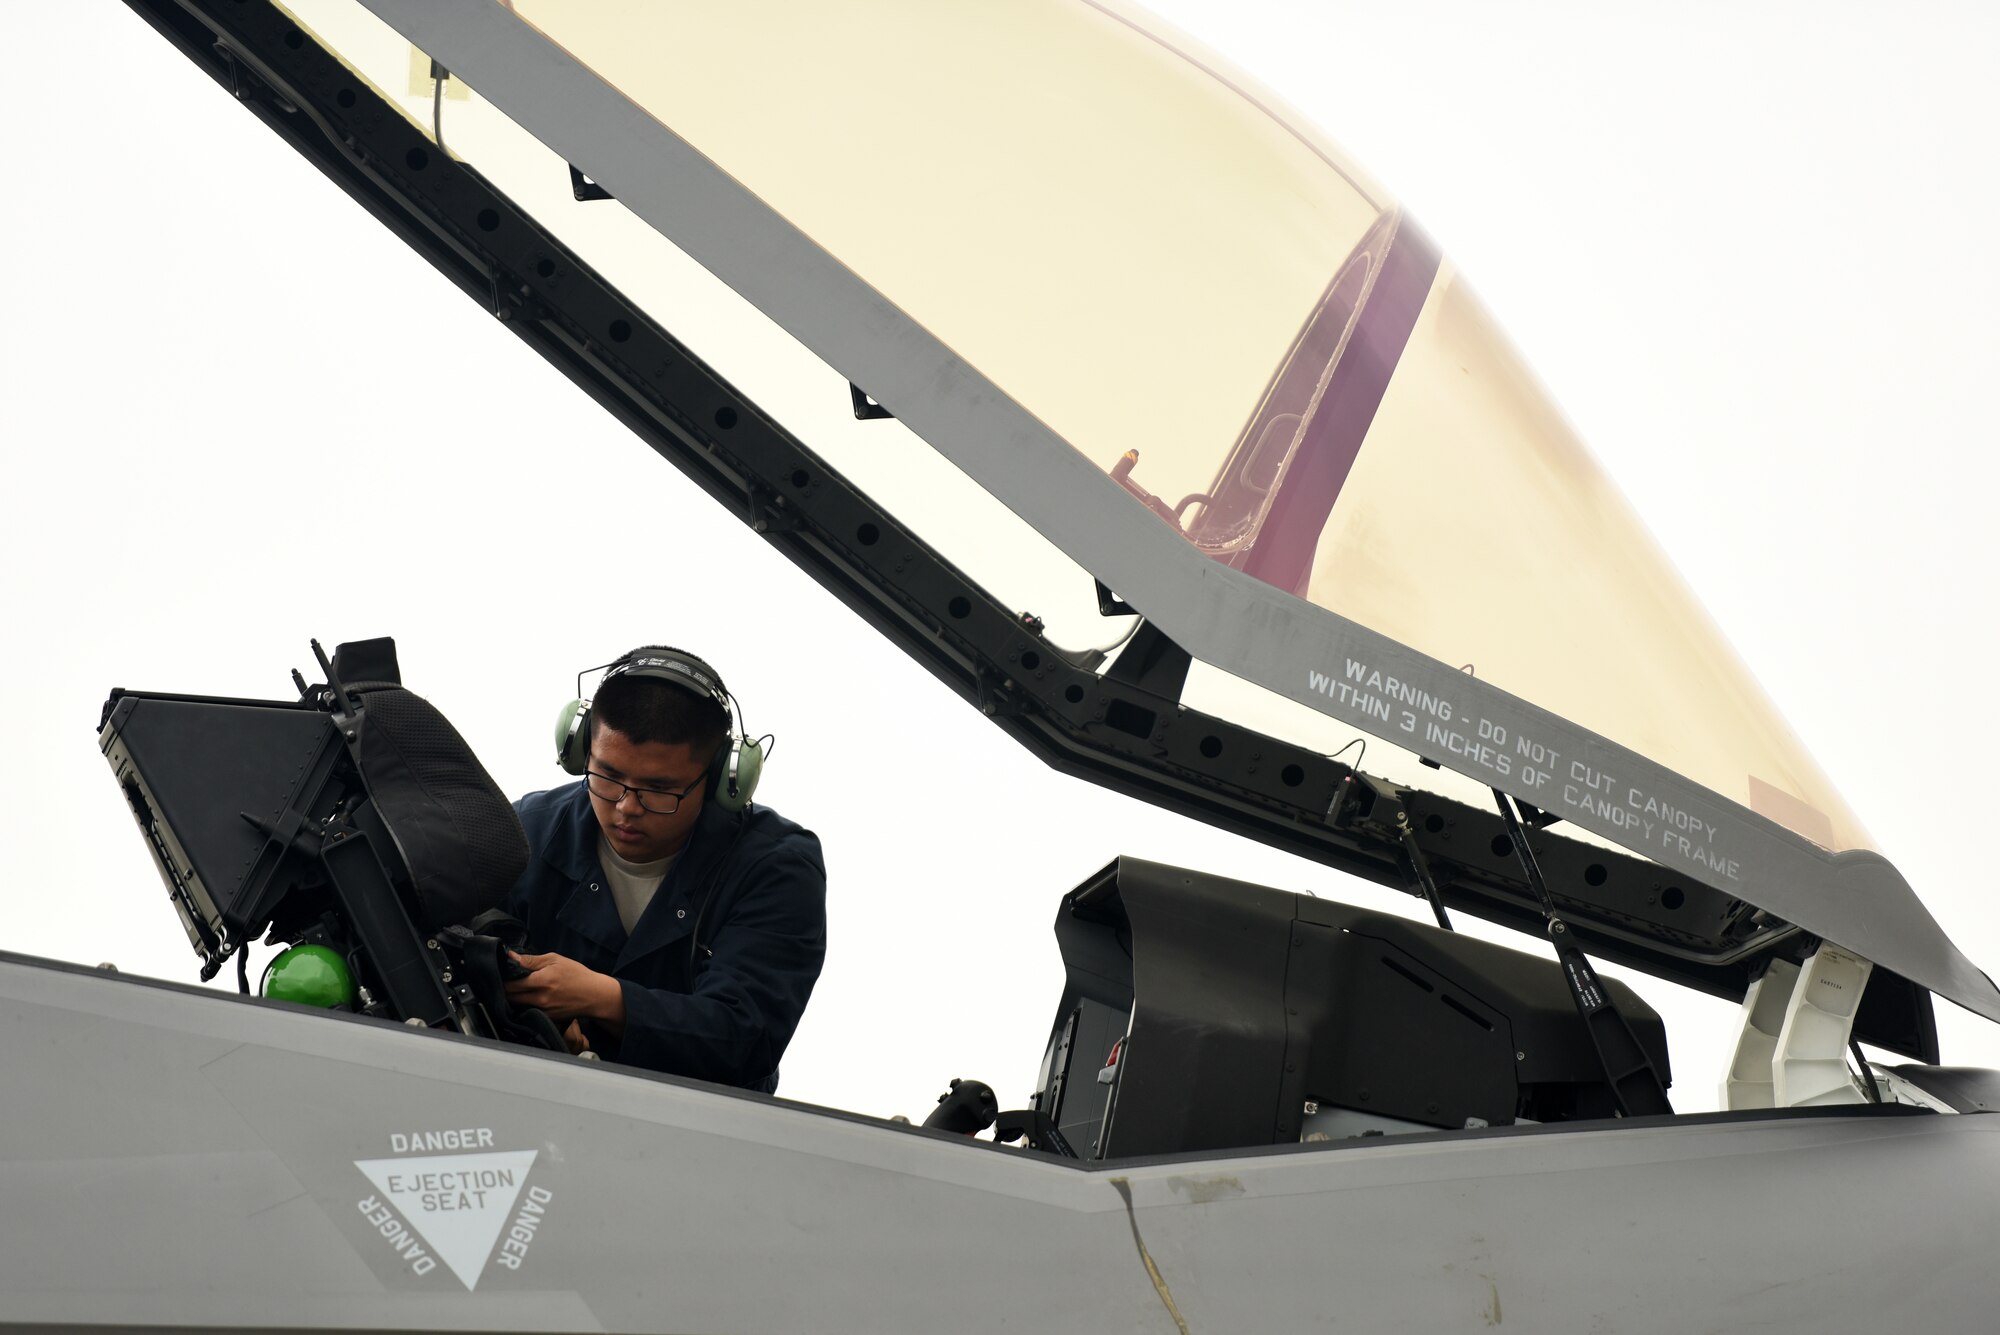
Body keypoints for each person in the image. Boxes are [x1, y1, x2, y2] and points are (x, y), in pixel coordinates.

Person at [502, 646, 825, 1093]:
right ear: (579, 751)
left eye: (660, 789)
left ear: (719, 782)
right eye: (607, 775)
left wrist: (601, 998)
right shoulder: (527, 832)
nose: (626, 808)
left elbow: (746, 1037)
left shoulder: (777, 868)